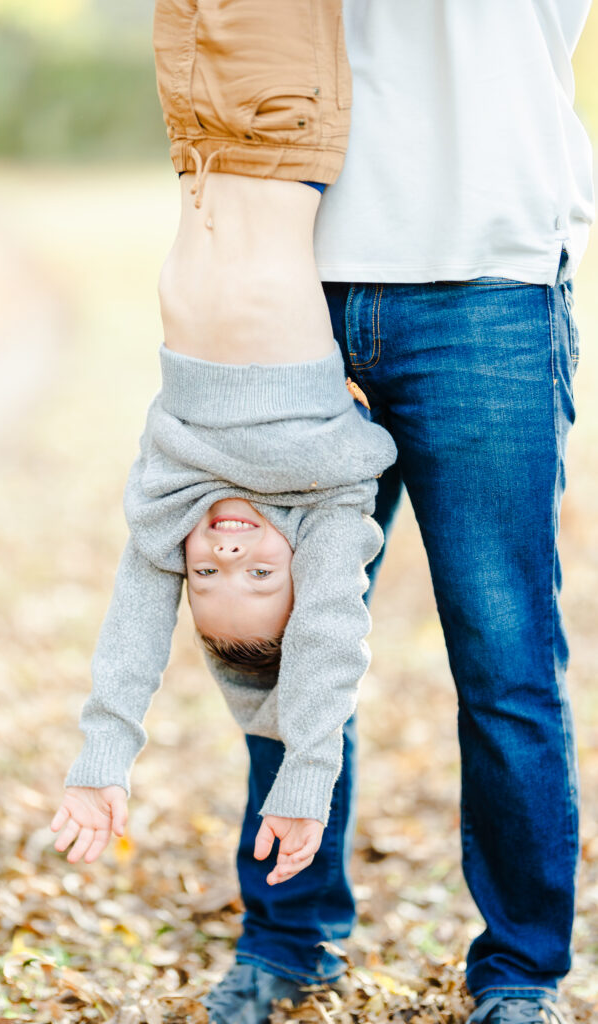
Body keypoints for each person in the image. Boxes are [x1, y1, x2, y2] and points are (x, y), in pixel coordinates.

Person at [213, 3, 593, 1024]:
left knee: (504, 657)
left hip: (487, 287)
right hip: (295, 282)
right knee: (285, 642)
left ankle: (519, 971)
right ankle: (287, 937)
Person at [51, 1, 397, 1018]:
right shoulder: (326, 498)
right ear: (298, 560)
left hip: (199, 140)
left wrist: (100, 761)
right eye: (259, 574)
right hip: (278, 126)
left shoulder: (176, 487)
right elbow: (329, 644)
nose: (226, 550)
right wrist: (299, 780)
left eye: (206, 575)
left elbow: (129, 629)